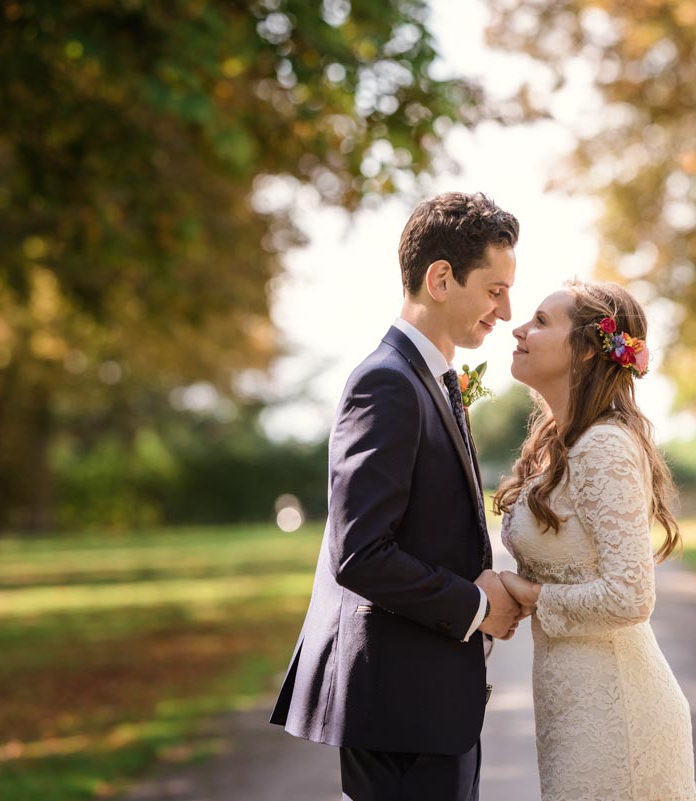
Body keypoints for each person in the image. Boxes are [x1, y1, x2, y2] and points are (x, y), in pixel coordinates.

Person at [270, 192, 525, 801]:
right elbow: (358, 553)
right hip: (399, 711)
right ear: (441, 279)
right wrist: (473, 605)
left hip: (429, 706)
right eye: (495, 290)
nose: (507, 310)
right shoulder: (386, 383)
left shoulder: (430, 380)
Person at [495, 279, 696, 801]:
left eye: (540, 321)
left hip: (619, 712)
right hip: (573, 707)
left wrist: (534, 596)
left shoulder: (604, 446)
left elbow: (632, 595)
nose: (518, 328)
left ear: (585, 349)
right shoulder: (559, 446)